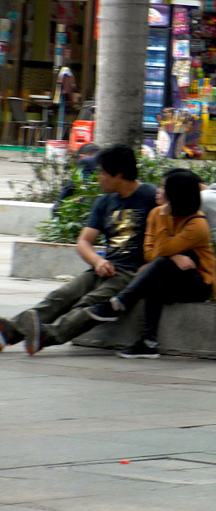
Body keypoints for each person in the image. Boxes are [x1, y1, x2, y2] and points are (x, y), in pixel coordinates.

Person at [0, 146, 157, 355]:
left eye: (102, 172)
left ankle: (45, 336)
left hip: (130, 274)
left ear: (118, 175)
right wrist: (97, 262)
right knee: (61, 295)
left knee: (88, 303)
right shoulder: (105, 201)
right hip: (103, 268)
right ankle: (9, 332)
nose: (98, 177)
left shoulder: (150, 197)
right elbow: (84, 241)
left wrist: (151, 266)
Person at [85, 170, 216, 359]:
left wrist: (168, 251)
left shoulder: (197, 224)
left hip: (197, 284)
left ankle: (119, 303)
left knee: (161, 264)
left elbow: (161, 251)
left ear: (176, 194)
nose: (158, 190)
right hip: (170, 276)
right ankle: (148, 343)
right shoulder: (155, 213)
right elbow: (148, 254)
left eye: (164, 187)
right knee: (157, 279)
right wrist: (174, 256)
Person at [53, 142, 102, 214]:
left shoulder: (86, 161)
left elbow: (76, 184)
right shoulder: (112, 158)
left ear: (81, 156)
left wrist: (58, 205)